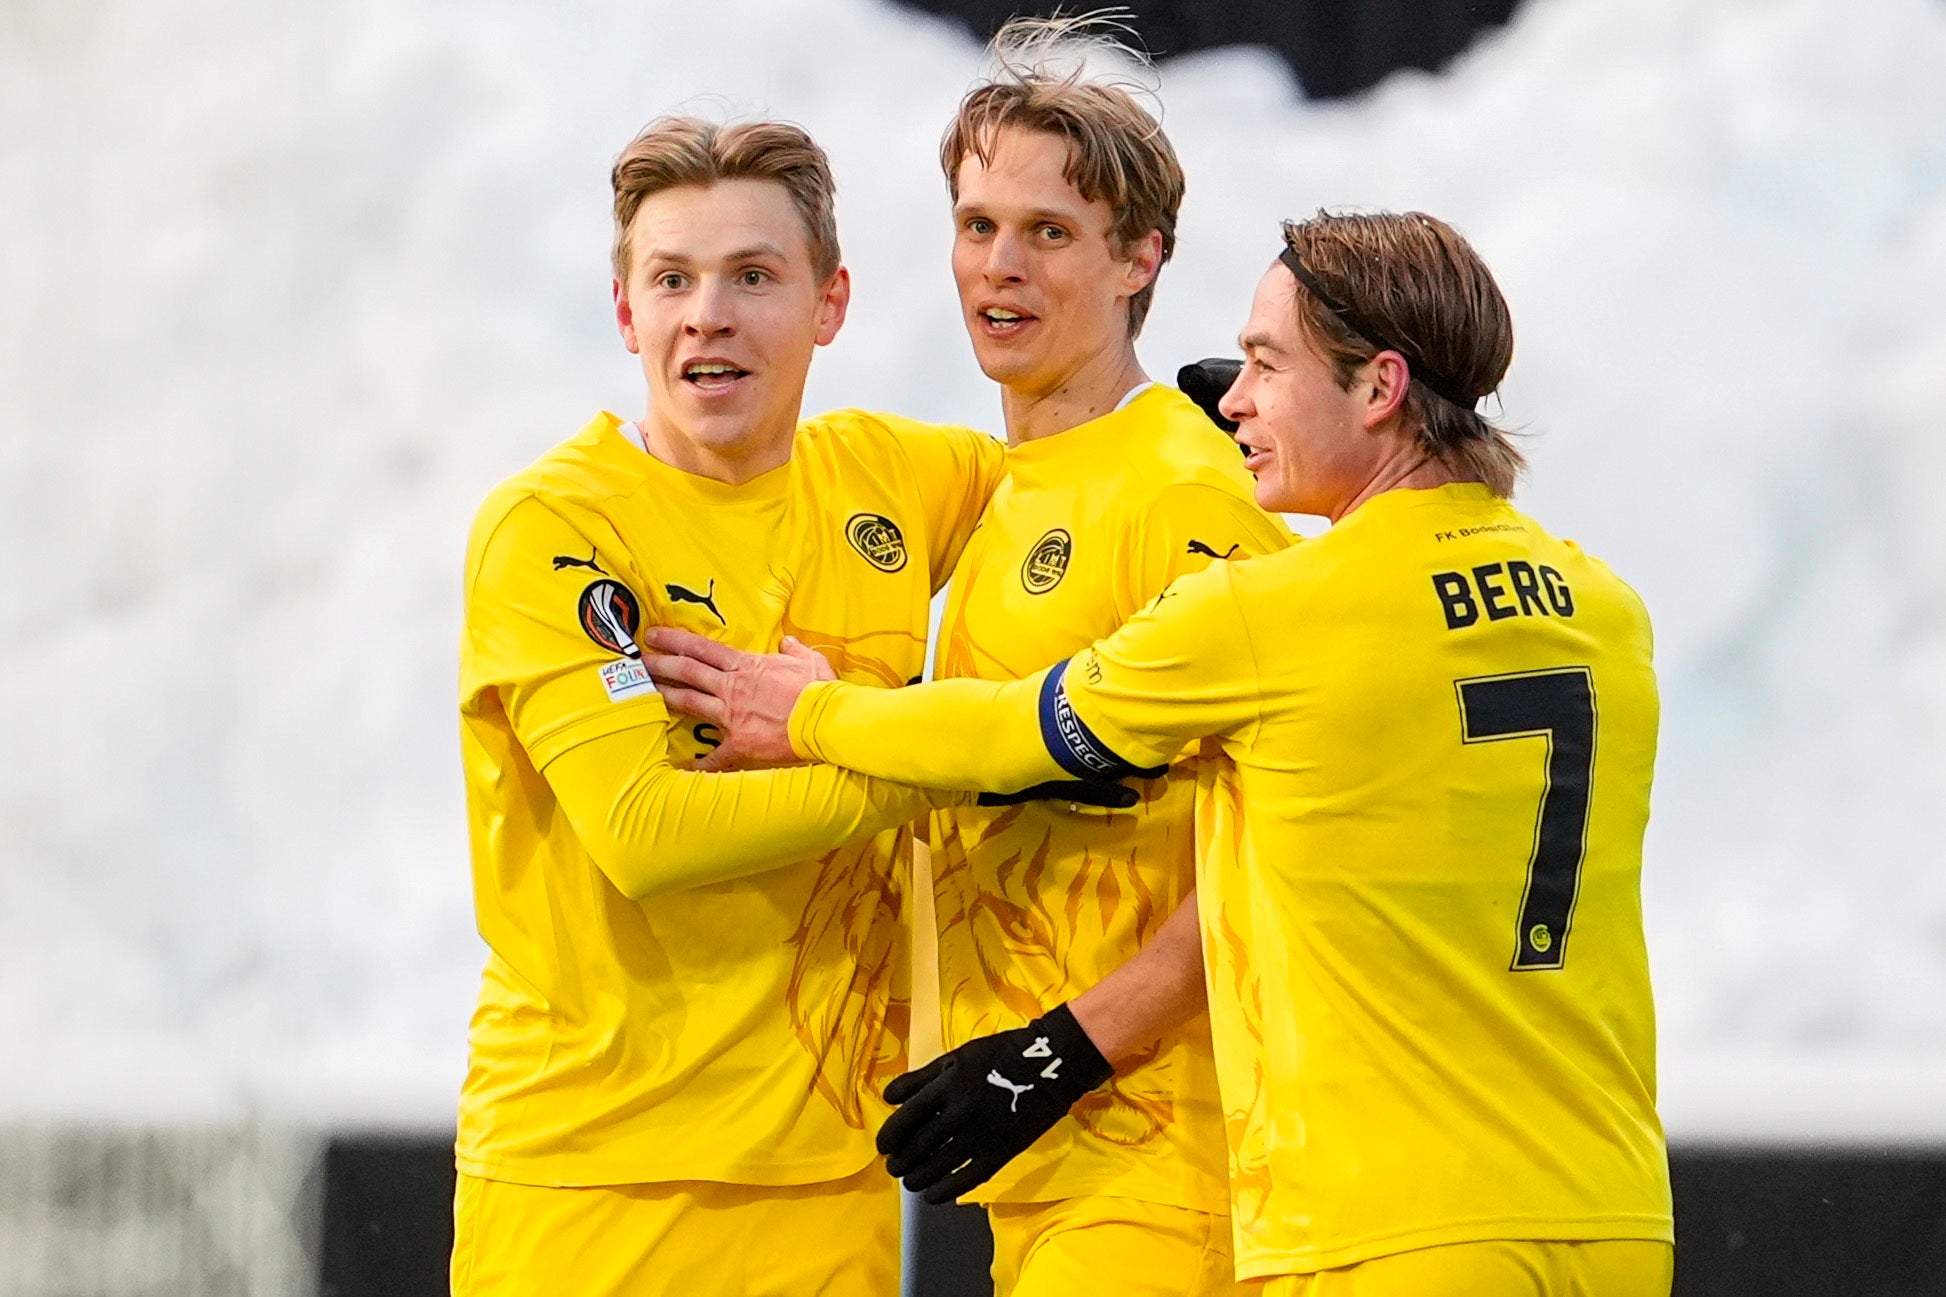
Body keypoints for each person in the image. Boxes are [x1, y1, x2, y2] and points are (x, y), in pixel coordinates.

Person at [646, 210, 1675, 1296]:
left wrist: (811, 711)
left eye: (1267, 366)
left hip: (1394, 1228)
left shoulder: (1272, 617)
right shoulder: (1607, 613)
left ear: (1377, 389)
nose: (1231, 397)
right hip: (1607, 1205)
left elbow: (1011, 732)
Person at [701, 19, 1290, 1296]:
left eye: (1048, 232)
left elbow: (1265, 849)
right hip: (1051, 1168)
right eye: (976, 226)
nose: (998, 268)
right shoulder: (1021, 486)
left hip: (1159, 1162)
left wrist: (1054, 1056)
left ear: (1142, 257)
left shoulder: (1177, 485)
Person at [450, 115, 1014, 1296]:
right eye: (671, 279)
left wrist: (1218, 424)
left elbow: (1091, 487)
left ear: (829, 303)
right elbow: (644, 832)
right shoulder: (555, 527)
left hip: (830, 1186)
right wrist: (933, 752)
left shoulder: (896, 481)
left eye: (753, 276)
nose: (708, 312)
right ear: (627, 315)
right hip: (591, 1180)